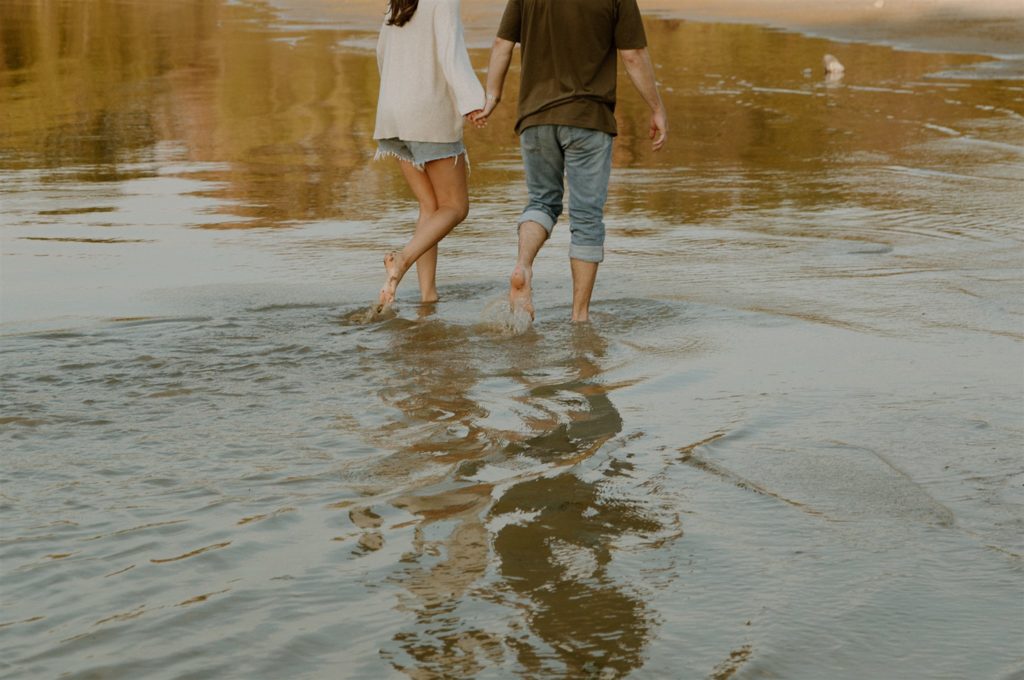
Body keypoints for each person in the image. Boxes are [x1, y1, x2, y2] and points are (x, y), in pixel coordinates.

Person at [477, 0, 668, 322]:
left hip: (535, 118)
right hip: (588, 119)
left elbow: (502, 44)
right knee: (587, 219)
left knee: (541, 202)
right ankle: (579, 319)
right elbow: (633, 55)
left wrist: (492, 96)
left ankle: (523, 266)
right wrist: (657, 108)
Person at [373, 0, 485, 311]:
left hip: (392, 117)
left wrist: (396, 95)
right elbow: (451, 56)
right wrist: (472, 102)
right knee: (456, 207)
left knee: (430, 206)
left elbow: (381, 53)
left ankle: (428, 296)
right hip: (427, 117)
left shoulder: (398, 2)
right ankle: (402, 260)